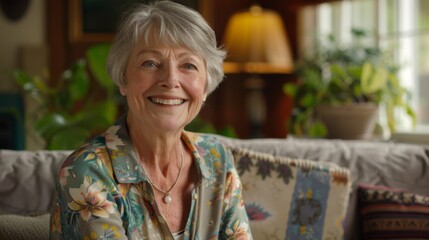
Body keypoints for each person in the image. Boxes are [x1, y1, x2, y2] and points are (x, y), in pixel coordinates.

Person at [49, 1, 252, 239]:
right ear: (123, 80)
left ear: (206, 85)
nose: (171, 80)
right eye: (151, 63)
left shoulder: (217, 159)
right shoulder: (86, 172)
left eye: (188, 65)